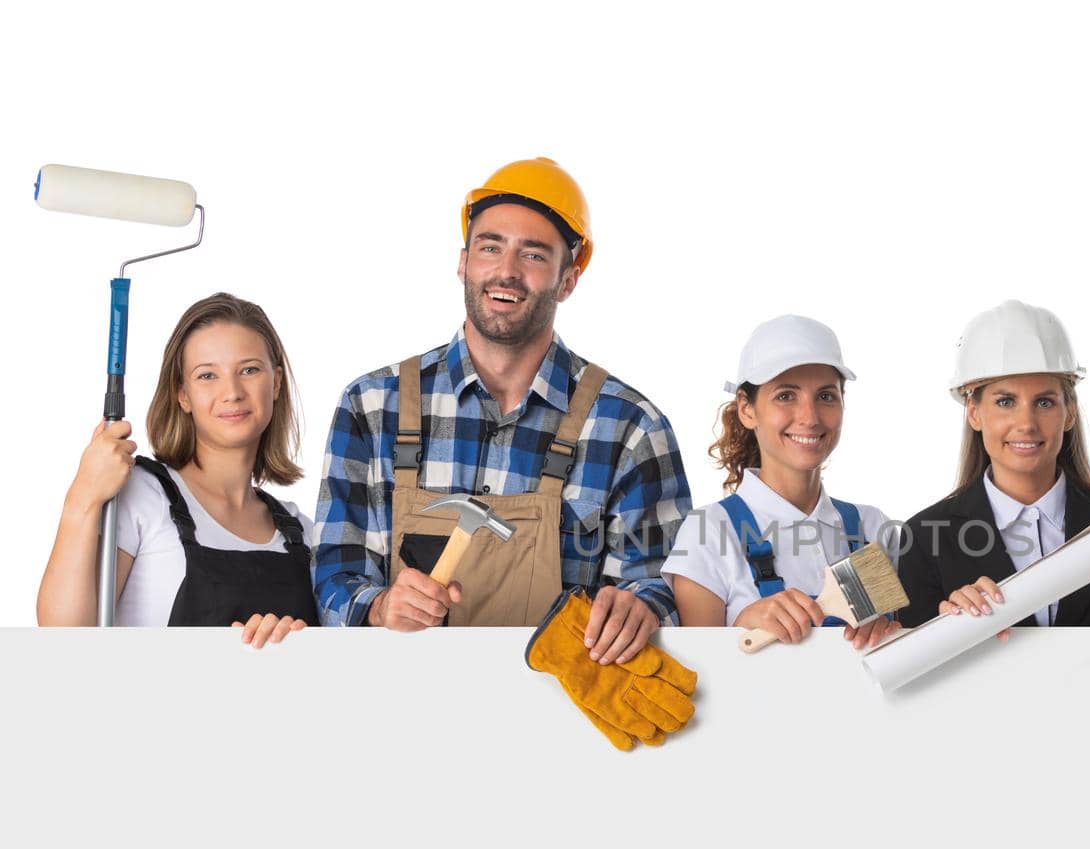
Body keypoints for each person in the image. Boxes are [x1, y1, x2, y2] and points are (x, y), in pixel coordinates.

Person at [313, 158, 691, 665]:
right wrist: (379, 607)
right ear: (463, 261)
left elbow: (664, 592)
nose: (506, 271)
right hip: (399, 707)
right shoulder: (371, 406)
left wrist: (639, 609)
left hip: (561, 720)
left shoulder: (629, 428)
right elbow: (332, 583)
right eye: (490, 248)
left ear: (568, 280)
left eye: (533, 255)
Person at [38, 292, 315, 646]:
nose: (231, 392)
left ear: (276, 382)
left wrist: (303, 646)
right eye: (207, 376)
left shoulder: (304, 535)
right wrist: (83, 498)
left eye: (249, 370)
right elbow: (64, 637)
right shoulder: (141, 495)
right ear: (182, 394)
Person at [896, 300, 1090, 646]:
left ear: (1069, 412)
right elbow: (913, 680)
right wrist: (945, 630)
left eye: (1044, 402)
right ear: (973, 412)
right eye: (1005, 402)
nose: (1026, 424)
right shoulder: (925, 539)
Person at [663, 315, 899, 650]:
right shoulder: (707, 532)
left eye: (826, 396)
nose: (810, 417)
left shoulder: (871, 528)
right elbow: (697, 676)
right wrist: (743, 625)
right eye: (786, 396)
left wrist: (889, 633)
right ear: (747, 410)